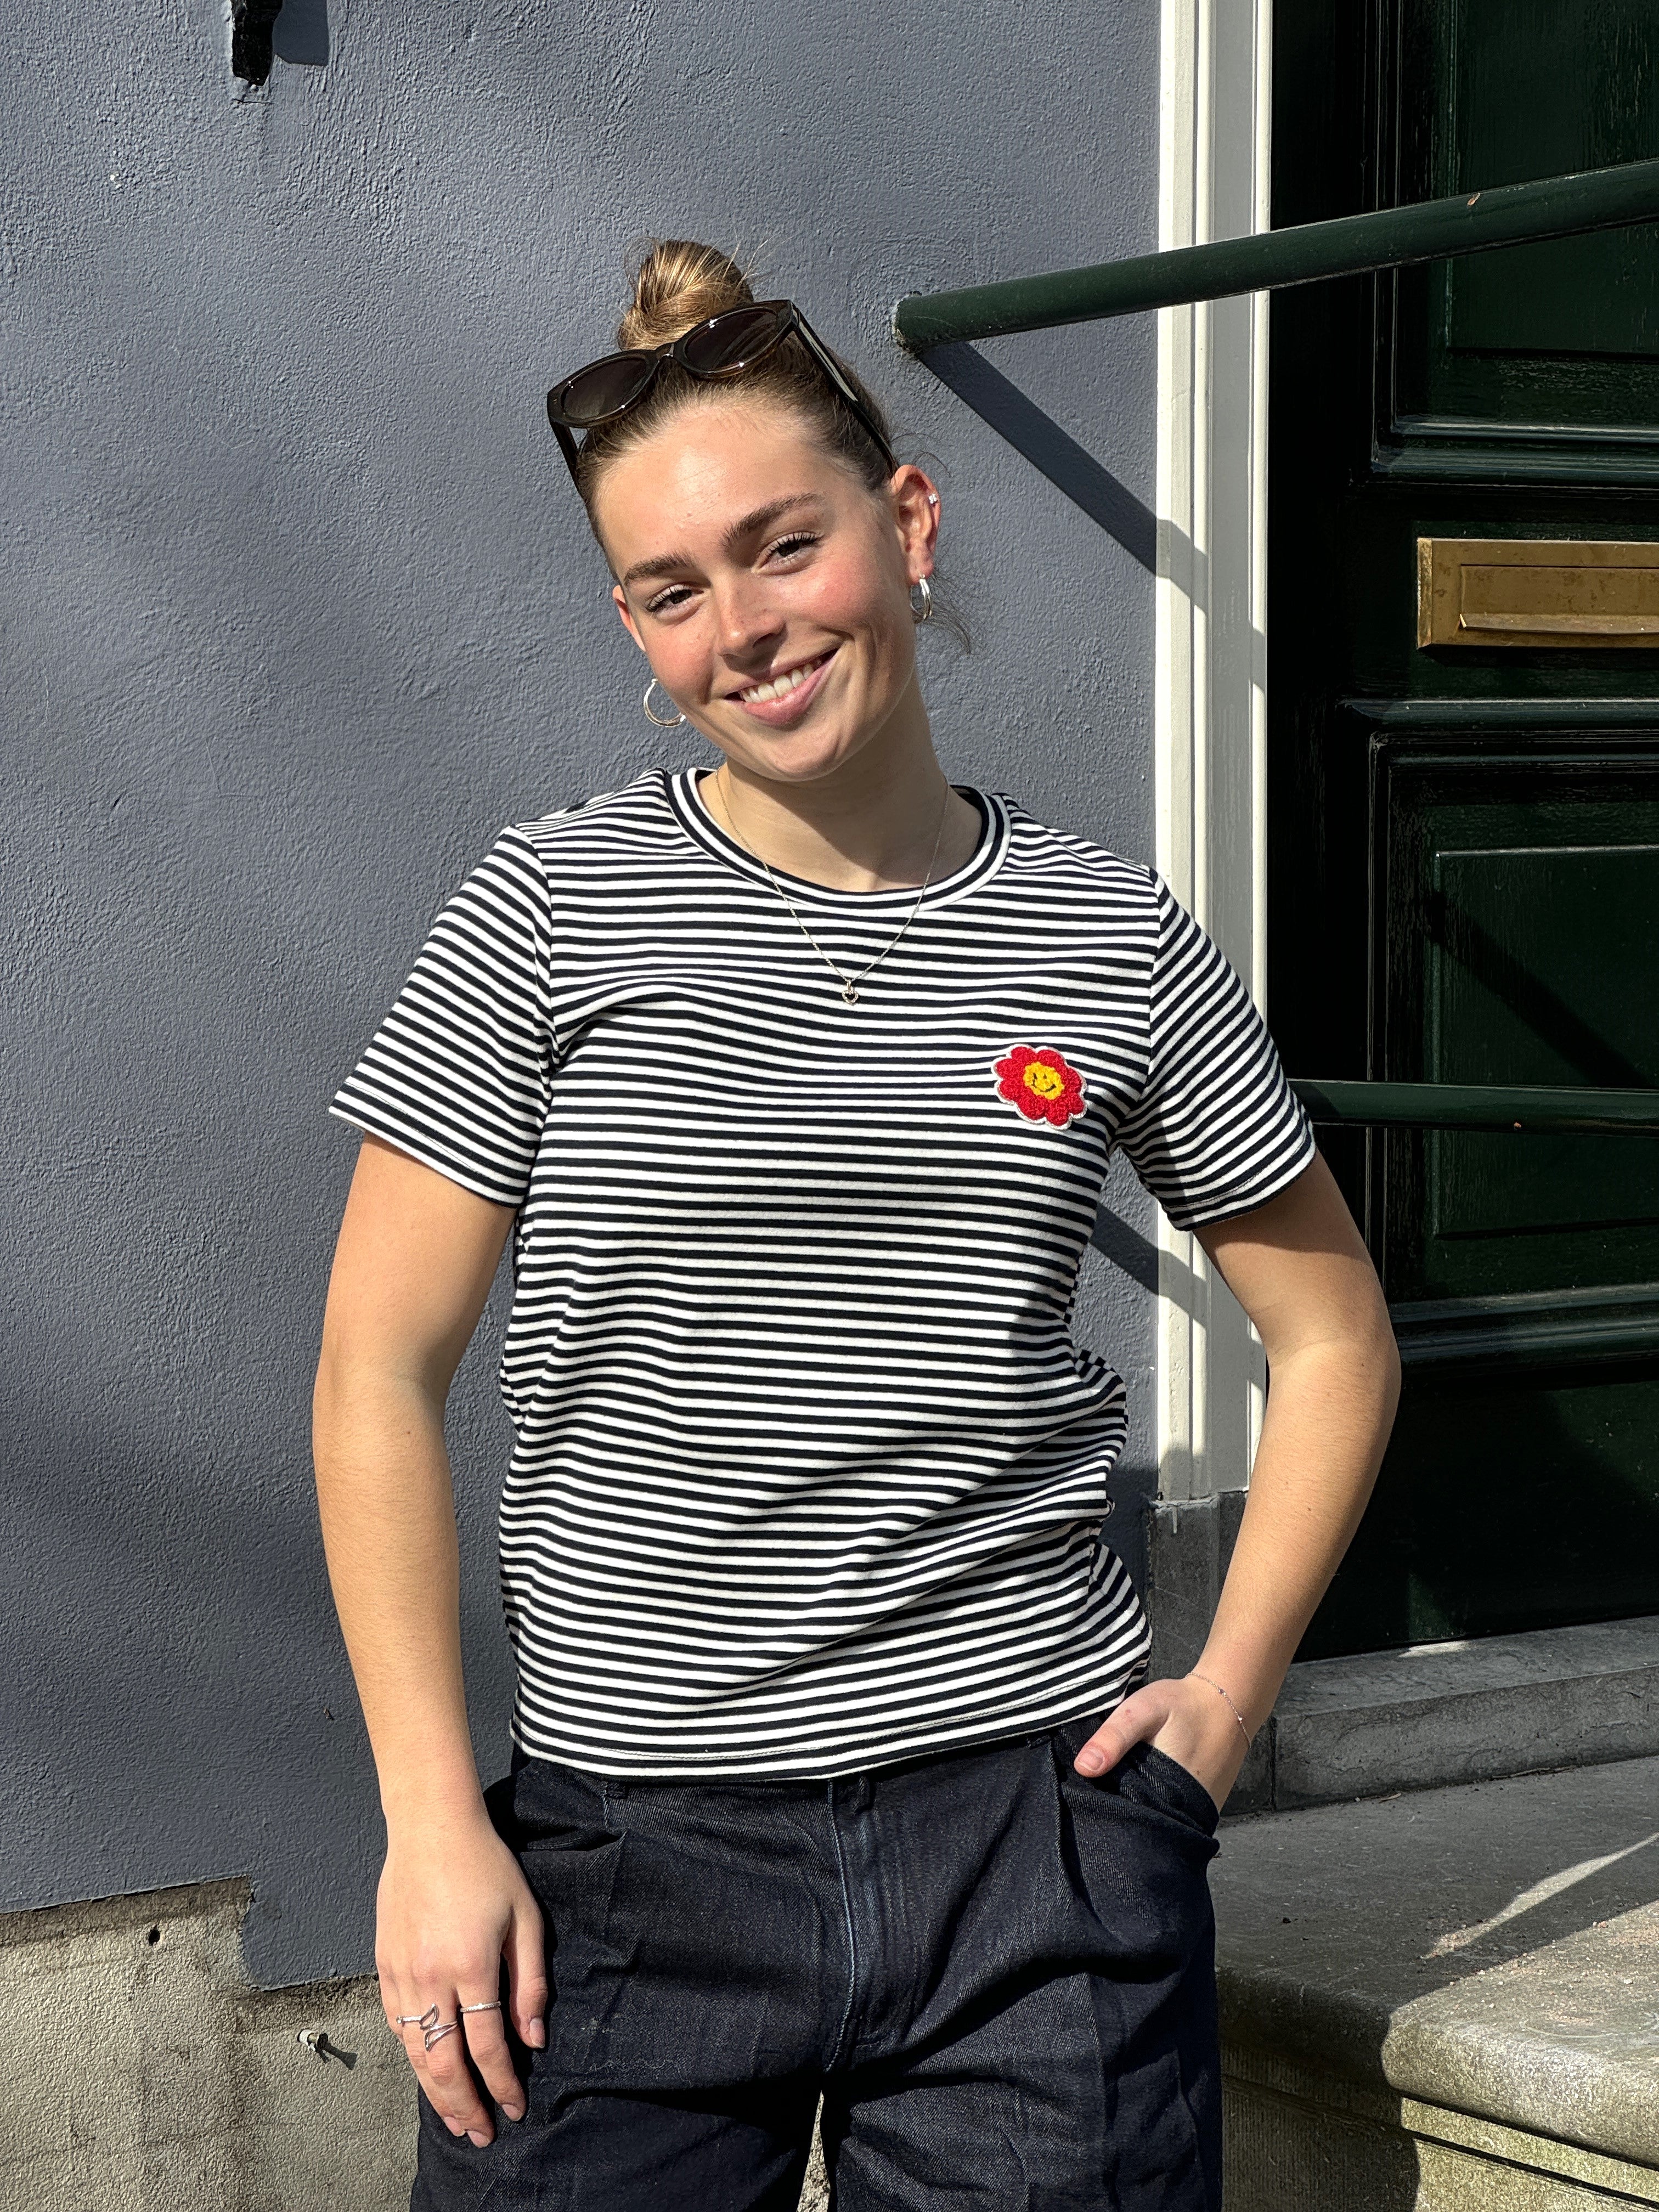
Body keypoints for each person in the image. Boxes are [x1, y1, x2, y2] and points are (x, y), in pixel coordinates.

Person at [312, 240, 1400, 2212]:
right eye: (672, 590)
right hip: (627, 1872)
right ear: (634, 626)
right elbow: (376, 1373)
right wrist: (427, 1824)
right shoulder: (548, 913)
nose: (743, 627)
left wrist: (1218, 1719)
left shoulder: (1108, 938)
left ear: (905, 522)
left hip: (1036, 1855)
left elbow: (1333, 1337)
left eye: (782, 545)